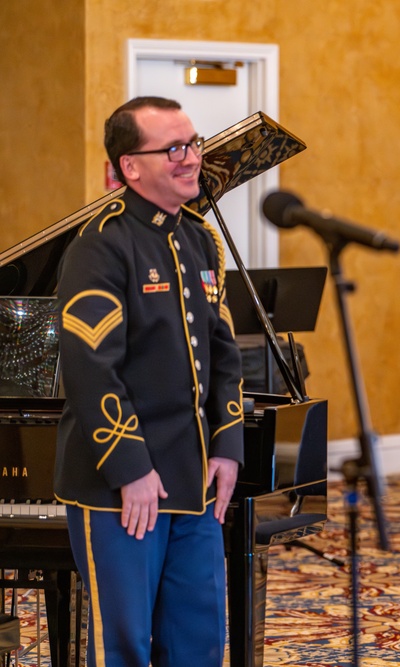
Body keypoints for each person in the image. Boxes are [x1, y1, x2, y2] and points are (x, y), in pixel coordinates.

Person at [54, 96, 244, 667]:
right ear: (130, 168)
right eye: (175, 148)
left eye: (195, 143)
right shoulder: (99, 248)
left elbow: (223, 351)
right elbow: (91, 369)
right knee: (126, 648)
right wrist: (130, 470)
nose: (193, 159)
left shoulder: (200, 240)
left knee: (200, 644)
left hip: (196, 482)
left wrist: (228, 447)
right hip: (121, 491)